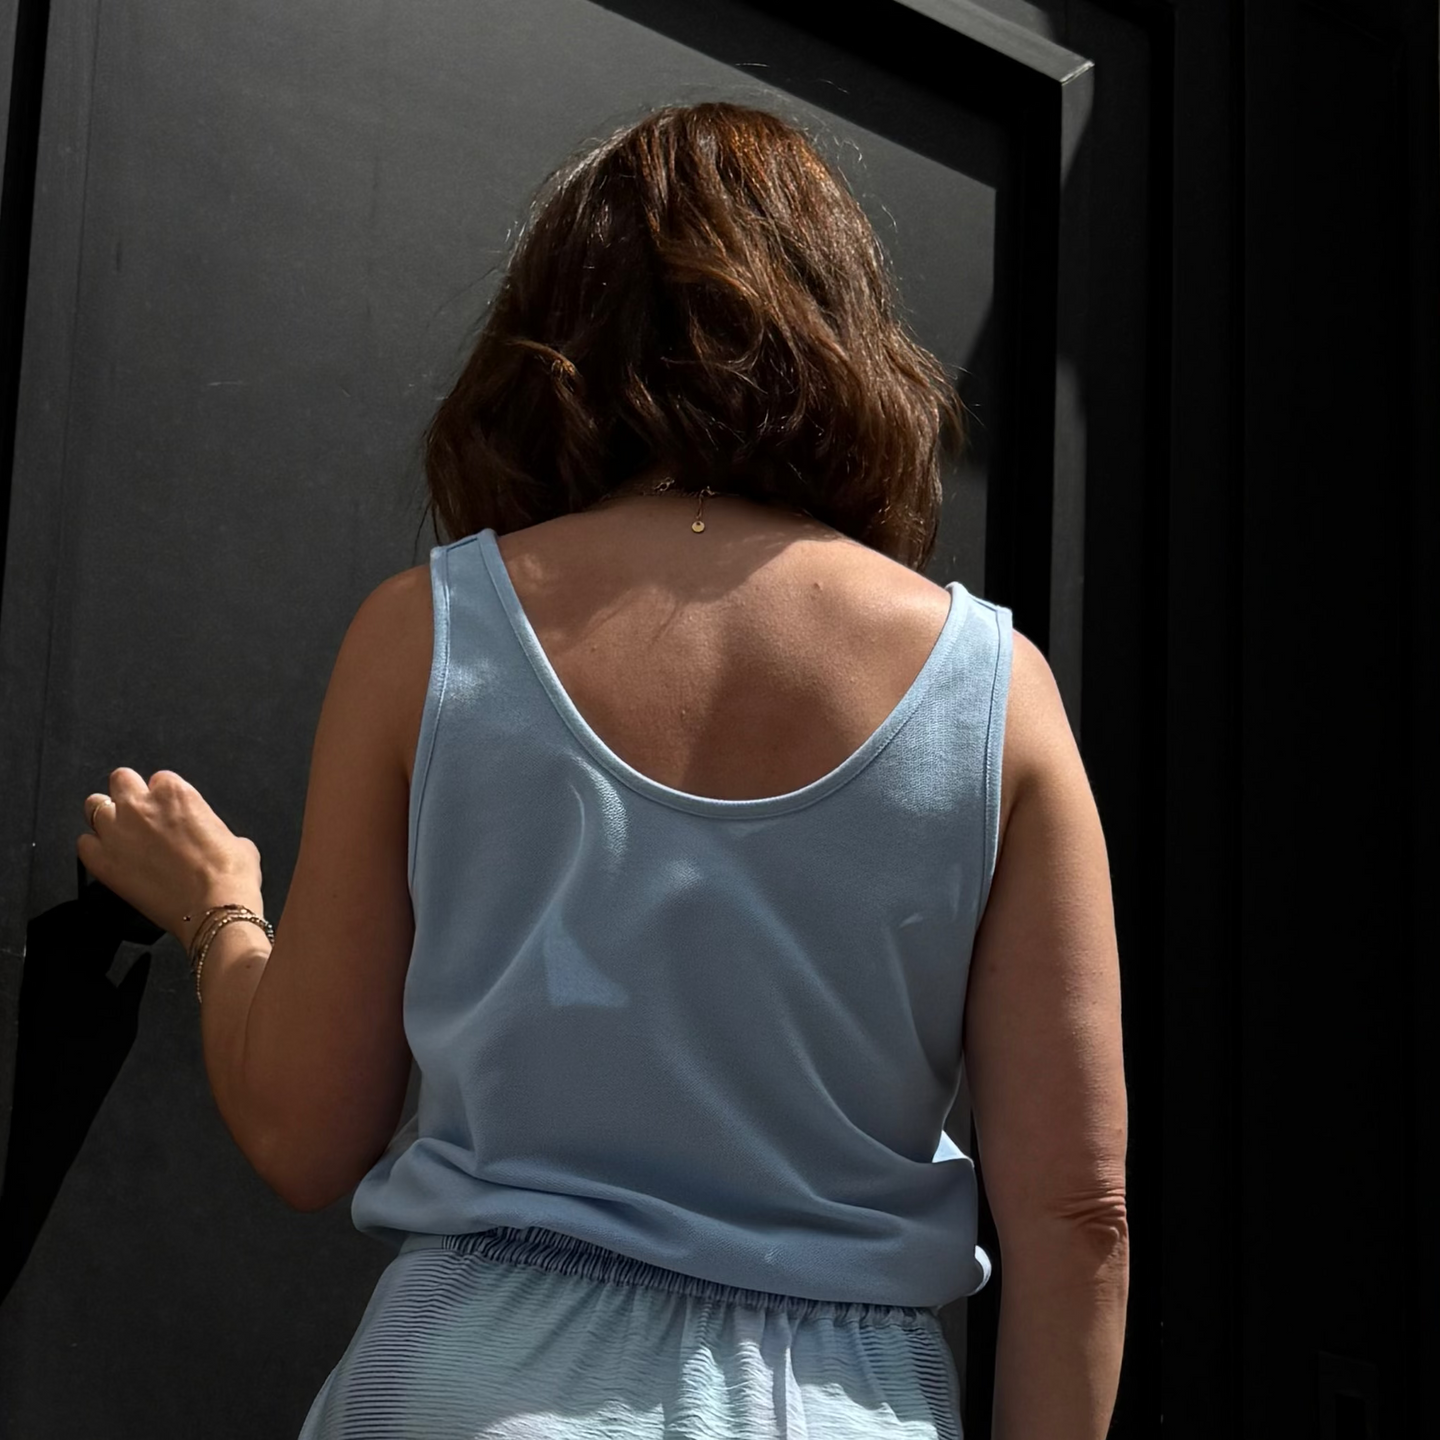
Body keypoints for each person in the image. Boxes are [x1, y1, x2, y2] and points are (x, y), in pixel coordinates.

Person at [77, 102, 1127, 1439]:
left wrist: (221, 909)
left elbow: (304, 1128)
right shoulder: (998, 695)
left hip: (467, 1393)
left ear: (557, 333)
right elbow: (1079, 1215)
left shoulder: (429, 635)